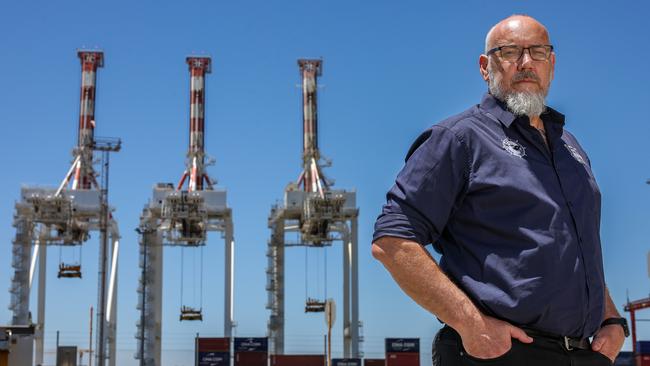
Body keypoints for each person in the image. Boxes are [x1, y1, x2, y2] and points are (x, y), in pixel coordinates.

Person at [371, 15, 628, 366]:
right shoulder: (459, 139)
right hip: (501, 353)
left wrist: (610, 318)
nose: (525, 63)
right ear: (484, 66)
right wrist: (469, 323)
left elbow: (578, 247)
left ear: (551, 64)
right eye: (509, 52)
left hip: (585, 354)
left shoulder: (571, 148)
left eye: (537, 52)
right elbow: (392, 240)